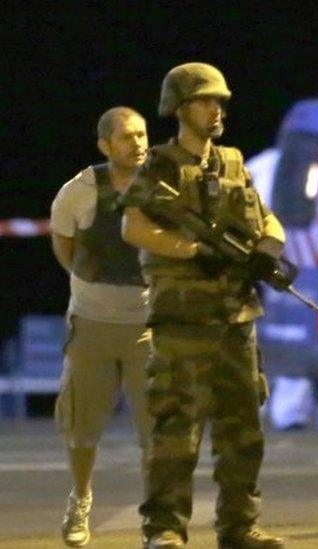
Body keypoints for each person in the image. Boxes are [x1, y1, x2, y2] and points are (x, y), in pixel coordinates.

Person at [120, 62, 285, 549]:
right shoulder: (161, 166)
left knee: (243, 430)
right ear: (179, 107)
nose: (217, 110)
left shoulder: (234, 164)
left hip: (236, 315)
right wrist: (193, 250)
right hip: (182, 319)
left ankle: (239, 526)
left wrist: (267, 250)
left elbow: (266, 219)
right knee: (176, 429)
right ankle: (165, 529)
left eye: (220, 102)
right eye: (205, 101)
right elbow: (134, 227)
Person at [50, 106, 153, 547]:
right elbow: (65, 249)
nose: (139, 143)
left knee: (158, 431)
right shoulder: (78, 191)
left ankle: (159, 515)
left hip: (148, 329)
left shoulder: (162, 186)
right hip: (92, 325)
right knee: (81, 429)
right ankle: (81, 499)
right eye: (127, 136)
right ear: (105, 145)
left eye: (143, 134)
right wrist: (97, 294)